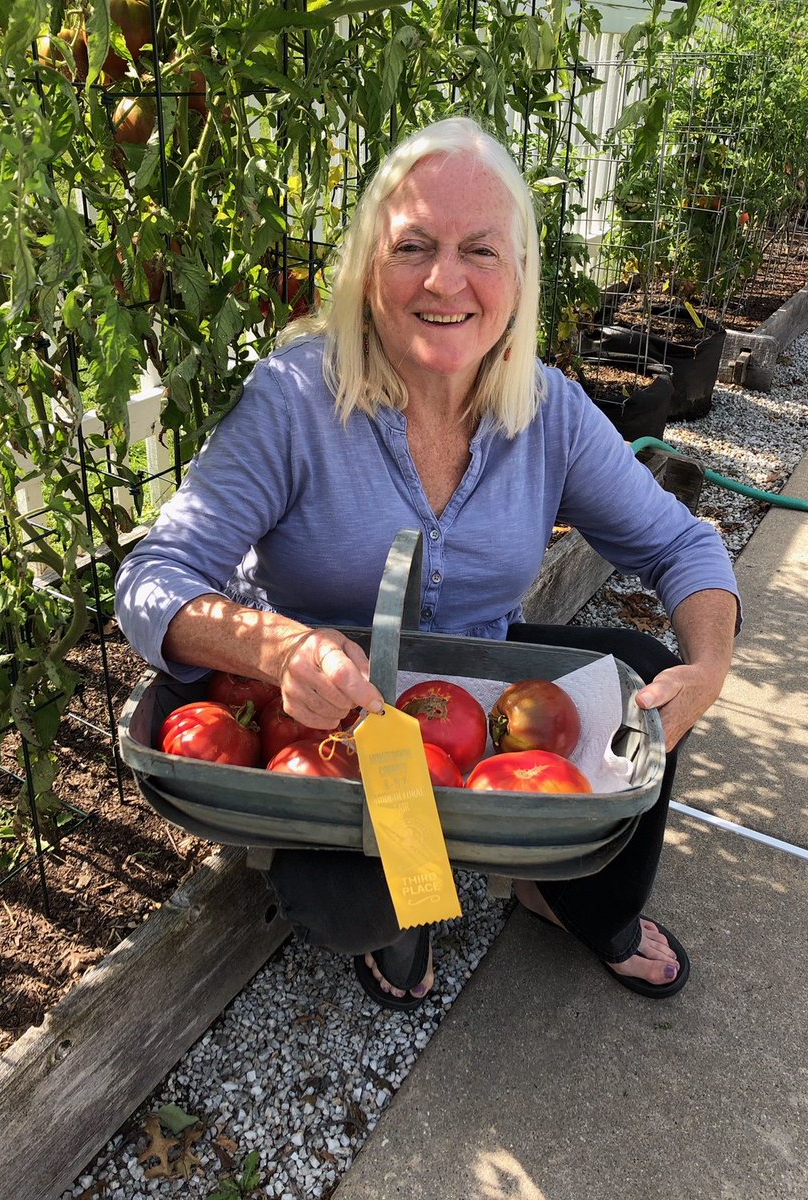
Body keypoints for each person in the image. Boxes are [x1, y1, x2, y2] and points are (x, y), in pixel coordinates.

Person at [116, 116, 740, 1010]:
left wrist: (710, 665)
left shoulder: (548, 414)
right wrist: (280, 650)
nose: (445, 280)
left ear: (520, 275)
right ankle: (404, 927)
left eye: (480, 249)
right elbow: (152, 576)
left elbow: (681, 544)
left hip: (473, 709)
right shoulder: (297, 401)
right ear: (371, 269)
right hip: (332, 724)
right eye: (413, 245)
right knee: (344, 896)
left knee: (645, 677)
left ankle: (566, 899)